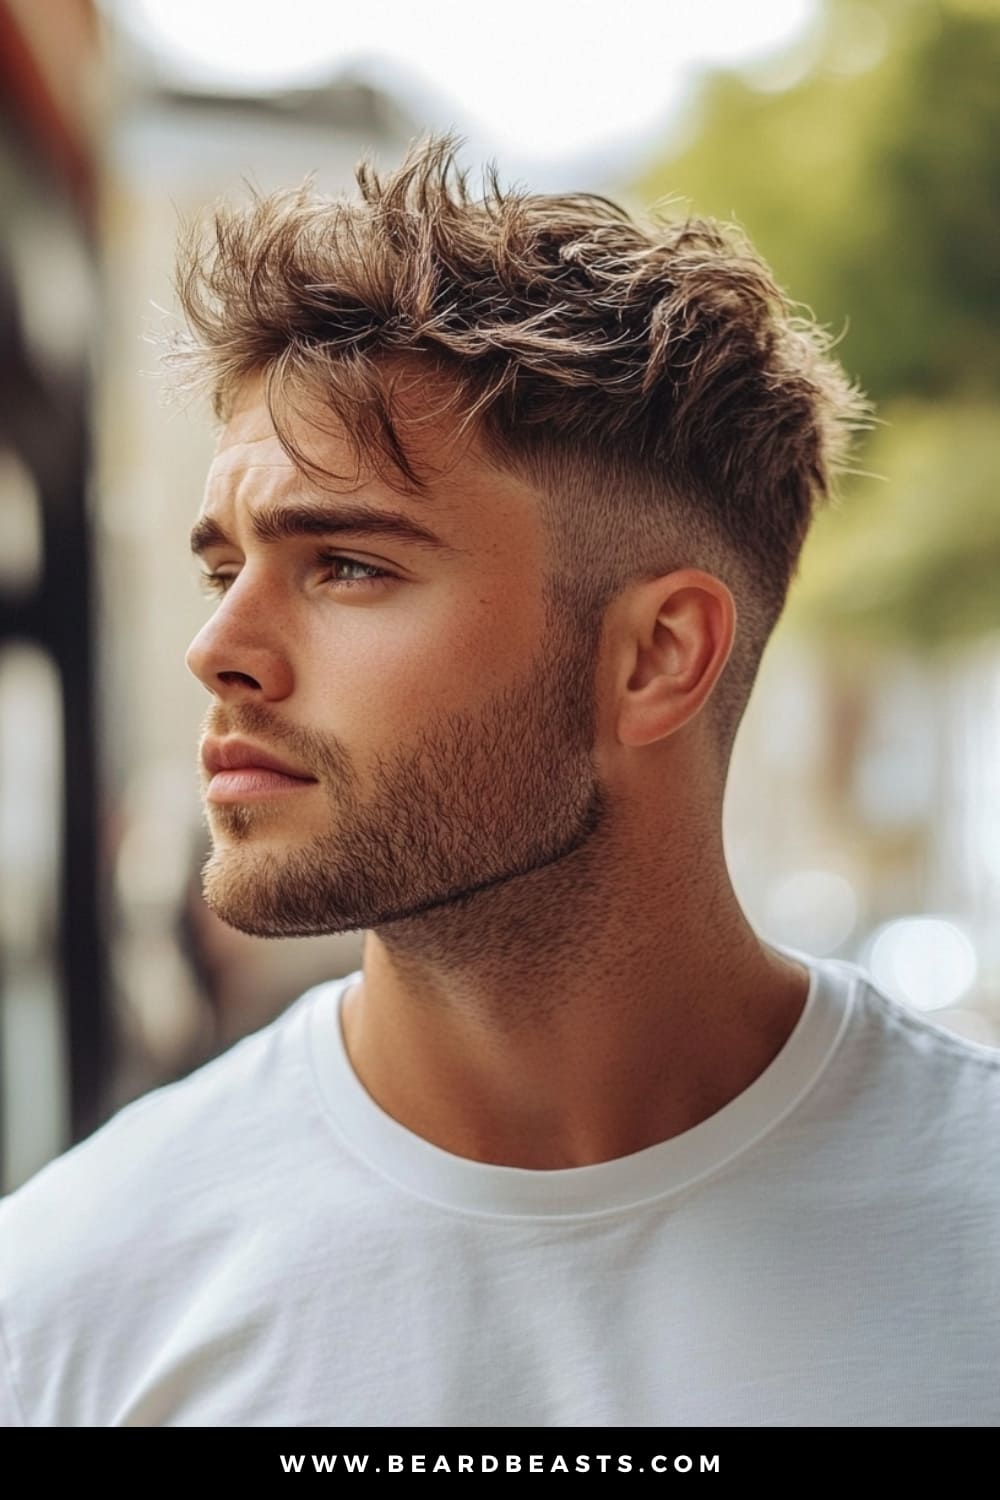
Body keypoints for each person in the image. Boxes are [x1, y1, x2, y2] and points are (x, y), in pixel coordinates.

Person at [2, 133, 998, 1430]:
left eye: (347, 565)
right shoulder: (69, 1304)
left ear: (657, 655)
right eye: (220, 568)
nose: (218, 650)